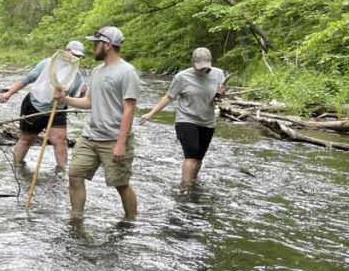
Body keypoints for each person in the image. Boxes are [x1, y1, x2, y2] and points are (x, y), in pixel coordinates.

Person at [54, 25, 139, 220]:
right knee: (74, 174)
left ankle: (131, 221)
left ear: (107, 45)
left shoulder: (127, 72)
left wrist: (120, 143)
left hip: (114, 139)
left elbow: (129, 109)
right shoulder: (97, 71)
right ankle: (76, 219)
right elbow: (89, 102)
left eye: (96, 43)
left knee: (121, 184)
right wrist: (65, 99)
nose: (93, 47)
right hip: (90, 136)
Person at [0, 40, 87, 176]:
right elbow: (27, 79)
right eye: (73, 54)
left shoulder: (77, 76)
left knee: (60, 139)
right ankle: (16, 167)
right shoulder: (47, 64)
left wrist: (83, 93)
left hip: (58, 109)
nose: (75, 58)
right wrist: (9, 93)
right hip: (35, 106)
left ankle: (62, 172)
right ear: (66, 51)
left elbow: (75, 99)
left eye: (79, 57)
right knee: (28, 138)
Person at [141, 47, 226, 189]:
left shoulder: (218, 74)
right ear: (193, 63)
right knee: (191, 156)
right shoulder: (181, 77)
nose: (202, 70)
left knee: (199, 159)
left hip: (208, 121)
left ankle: (193, 183)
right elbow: (169, 97)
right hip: (186, 119)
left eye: (205, 67)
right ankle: (185, 189)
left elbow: (219, 97)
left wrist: (221, 94)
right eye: (199, 67)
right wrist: (151, 114)